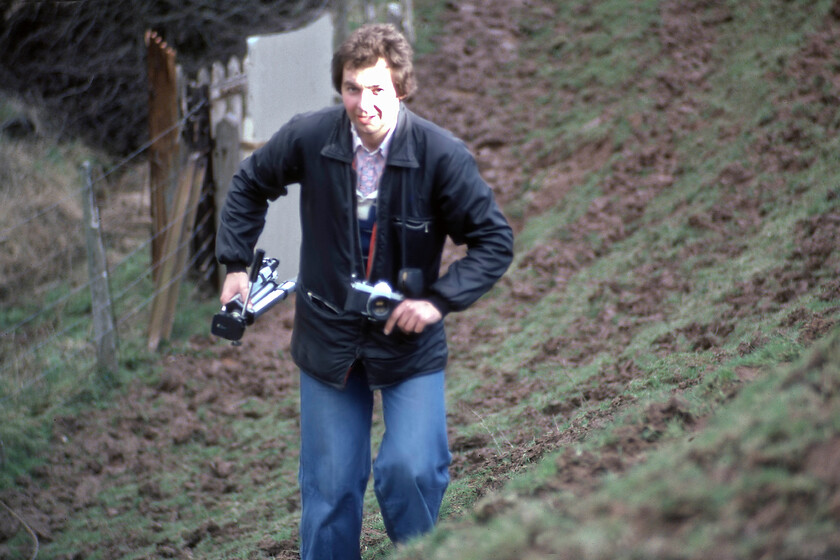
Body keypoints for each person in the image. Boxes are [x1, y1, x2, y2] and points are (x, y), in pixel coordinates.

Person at [215, 23, 513, 559]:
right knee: (329, 492)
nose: (363, 103)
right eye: (352, 88)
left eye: (376, 89)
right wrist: (235, 262)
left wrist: (438, 301)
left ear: (400, 87)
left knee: (411, 469)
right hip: (328, 336)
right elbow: (250, 182)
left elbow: (494, 240)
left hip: (407, 340)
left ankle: (420, 552)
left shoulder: (441, 156)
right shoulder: (311, 137)